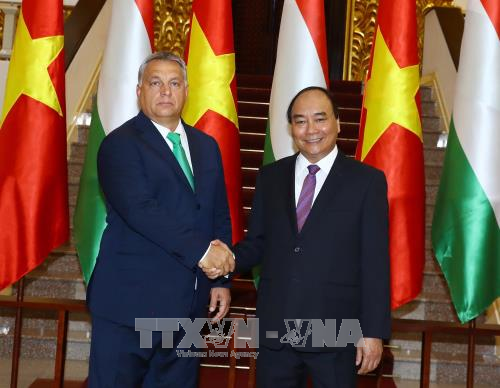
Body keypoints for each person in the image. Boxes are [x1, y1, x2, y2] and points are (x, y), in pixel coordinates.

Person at [206, 86, 391, 387]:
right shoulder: (271, 177)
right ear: (291, 127)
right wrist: (225, 260)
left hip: (336, 333)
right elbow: (259, 243)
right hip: (277, 331)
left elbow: (375, 262)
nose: (311, 130)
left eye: (320, 119)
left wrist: (373, 331)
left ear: (337, 123)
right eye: (300, 120)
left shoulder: (367, 182)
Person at [87, 51, 235, 387]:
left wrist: (221, 279)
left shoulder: (206, 146)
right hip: (129, 306)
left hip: (186, 308)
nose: (165, 91)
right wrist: (204, 252)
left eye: (174, 83)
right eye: (155, 83)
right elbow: (142, 211)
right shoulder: (120, 145)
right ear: (140, 91)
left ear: (186, 90)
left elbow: (218, 214)